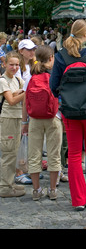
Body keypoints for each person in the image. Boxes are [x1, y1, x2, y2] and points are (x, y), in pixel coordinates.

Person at [49, 20, 86, 211]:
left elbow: (53, 87)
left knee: (74, 155)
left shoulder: (60, 56)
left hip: (69, 112)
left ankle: (78, 201)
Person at [26, 45, 63, 201]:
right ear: (51, 58)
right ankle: (53, 189)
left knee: (34, 155)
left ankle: (36, 190)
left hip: (34, 119)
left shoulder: (31, 75)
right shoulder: (55, 75)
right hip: (53, 117)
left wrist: (24, 122)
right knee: (54, 155)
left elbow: (25, 100)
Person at [0, 51, 26, 197]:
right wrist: (26, 92)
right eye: (11, 64)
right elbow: (11, 100)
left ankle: (10, 183)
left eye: (17, 65)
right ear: (4, 64)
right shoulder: (3, 80)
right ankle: (4, 187)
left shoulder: (17, 79)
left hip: (16, 118)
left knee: (13, 153)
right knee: (8, 153)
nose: (15, 67)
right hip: (7, 119)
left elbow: (17, 94)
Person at [15, 38, 38, 184]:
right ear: (21, 51)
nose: (32, 52)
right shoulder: (17, 67)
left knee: (27, 140)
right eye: (29, 49)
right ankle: (19, 172)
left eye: (33, 49)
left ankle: (26, 168)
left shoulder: (33, 66)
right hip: (18, 108)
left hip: (29, 106)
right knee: (18, 140)